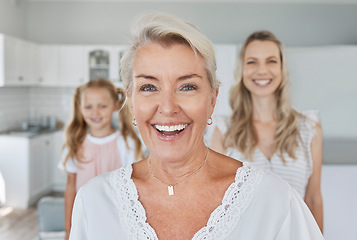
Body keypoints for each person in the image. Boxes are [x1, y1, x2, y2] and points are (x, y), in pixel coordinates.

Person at [69, 13, 324, 239]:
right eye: (149, 87)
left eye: (187, 86)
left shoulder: (275, 201)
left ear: (212, 99)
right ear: (131, 101)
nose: (168, 107)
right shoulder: (94, 202)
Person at [210, 30, 324, 232]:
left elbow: (313, 200)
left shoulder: (308, 127)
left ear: (282, 69)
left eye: (271, 61)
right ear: (242, 70)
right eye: (252, 62)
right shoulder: (224, 130)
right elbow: (215, 201)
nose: (262, 70)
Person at [59, 78, 144, 240]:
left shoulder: (127, 144)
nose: (95, 112)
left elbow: (136, 189)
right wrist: (68, 229)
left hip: (116, 220)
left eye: (102, 106)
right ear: (80, 108)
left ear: (115, 105)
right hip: (84, 218)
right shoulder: (74, 144)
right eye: (88, 107)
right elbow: (71, 188)